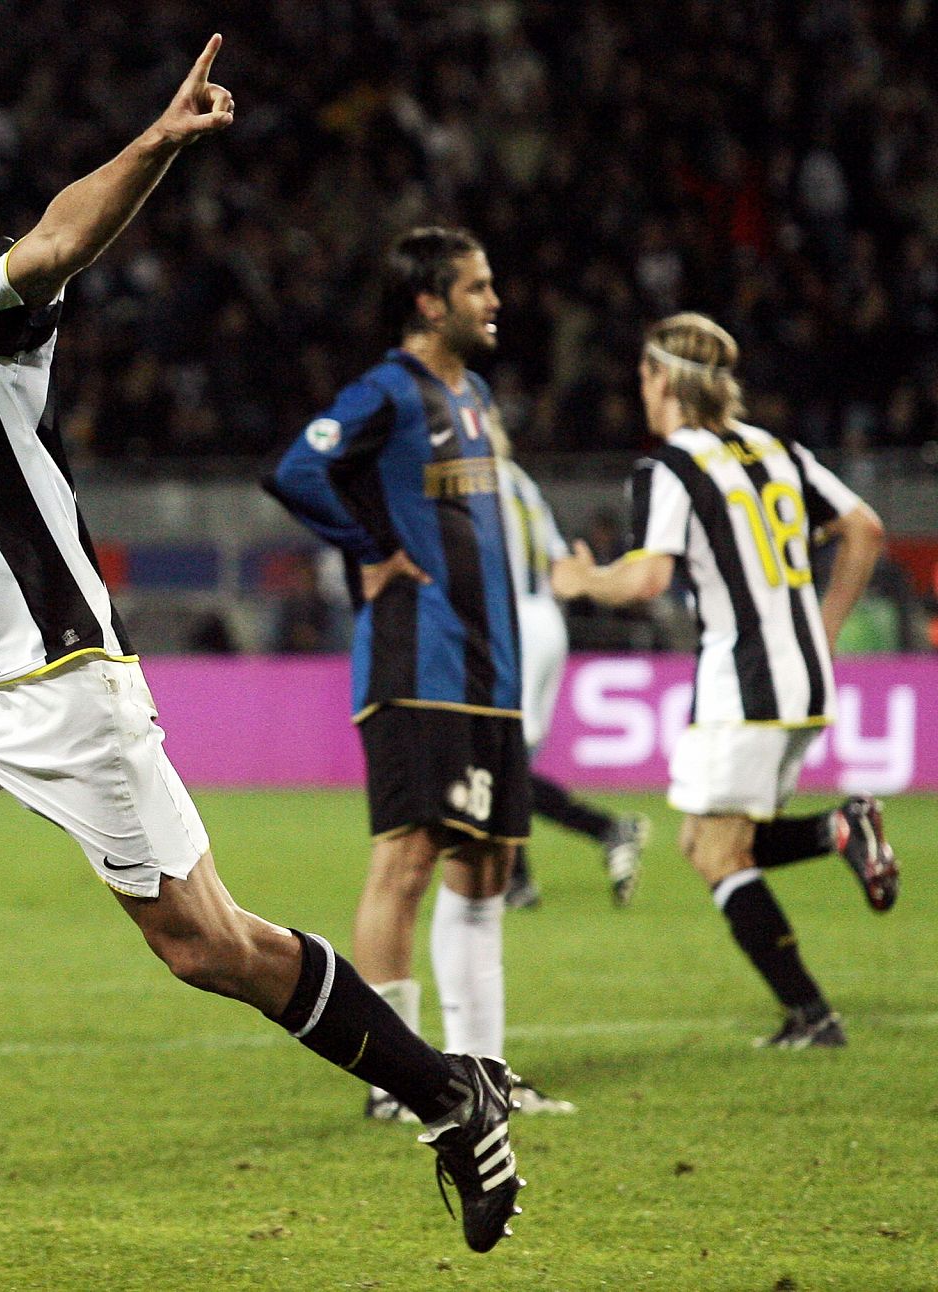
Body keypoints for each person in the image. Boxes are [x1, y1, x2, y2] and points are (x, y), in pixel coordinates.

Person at [0, 40, 525, 1277]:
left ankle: (450, 1092)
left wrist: (154, 144)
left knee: (207, 945)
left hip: (61, 685)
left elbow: (56, 241)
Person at [266, 226, 569, 1122]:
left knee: (486, 866)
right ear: (430, 302)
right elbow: (295, 469)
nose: (495, 300)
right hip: (418, 659)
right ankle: (393, 1082)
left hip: (492, 669)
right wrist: (372, 549)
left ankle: (482, 1069)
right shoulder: (388, 392)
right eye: (477, 287)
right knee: (406, 860)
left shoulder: (473, 392)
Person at [551, 312, 899, 1049]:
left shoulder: (670, 466)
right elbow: (864, 527)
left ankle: (813, 1013)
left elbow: (647, 579)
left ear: (666, 380)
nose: (640, 390)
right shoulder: (779, 449)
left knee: (716, 852)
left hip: (744, 679)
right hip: (802, 676)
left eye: (645, 375)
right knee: (710, 843)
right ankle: (839, 836)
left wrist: (585, 581)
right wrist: (826, 626)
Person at [489, 437, 649, 911]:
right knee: (508, 764)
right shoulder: (522, 482)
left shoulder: (474, 480)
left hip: (511, 621)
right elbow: (561, 567)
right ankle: (519, 879)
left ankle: (603, 831)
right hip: (546, 621)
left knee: (498, 759)